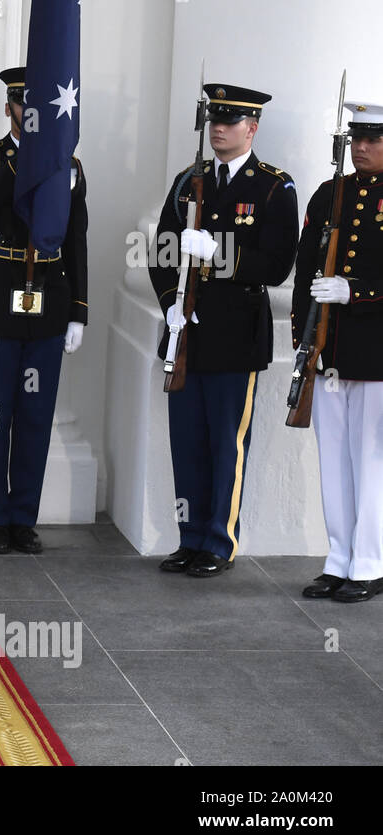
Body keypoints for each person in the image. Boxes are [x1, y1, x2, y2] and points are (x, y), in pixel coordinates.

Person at [148, 83, 297, 577]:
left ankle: (218, 540)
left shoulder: (273, 187)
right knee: (187, 442)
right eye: (214, 120)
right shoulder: (188, 180)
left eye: (229, 122)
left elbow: (276, 266)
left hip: (235, 337)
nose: (218, 129)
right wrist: (172, 305)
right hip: (186, 333)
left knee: (225, 444)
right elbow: (160, 254)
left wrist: (219, 254)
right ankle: (189, 537)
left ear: (251, 129)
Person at [0, 66, 87, 556]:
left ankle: (24, 518)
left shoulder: (69, 164)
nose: (27, 114)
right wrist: (28, 161)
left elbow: (76, 238)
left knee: (36, 415)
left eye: (35, 107)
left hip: (48, 296)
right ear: (8, 107)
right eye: (19, 105)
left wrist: (79, 311)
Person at [293, 100, 383, 603]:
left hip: (375, 352)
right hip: (329, 348)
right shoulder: (330, 193)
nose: (362, 148)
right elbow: (307, 266)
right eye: (357, 140)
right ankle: (339, 559)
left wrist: (356, 291)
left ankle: (370, 562)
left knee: (370, 460)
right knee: (335, 459)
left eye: (373, 140)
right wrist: (304, 341)